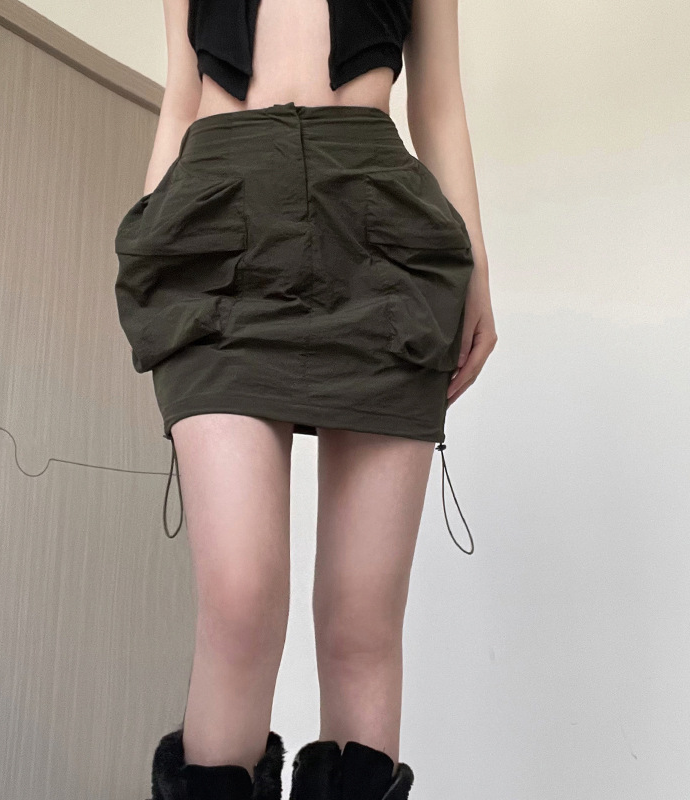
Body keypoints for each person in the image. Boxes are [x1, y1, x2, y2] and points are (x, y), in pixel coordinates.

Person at [113, 0, 497, 798]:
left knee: (362, 620)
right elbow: (182, 99)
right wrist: (148, 262)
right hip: (215, 226)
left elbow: (438, 104)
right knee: (240, 600)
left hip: (383, 235)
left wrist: (477, 274)